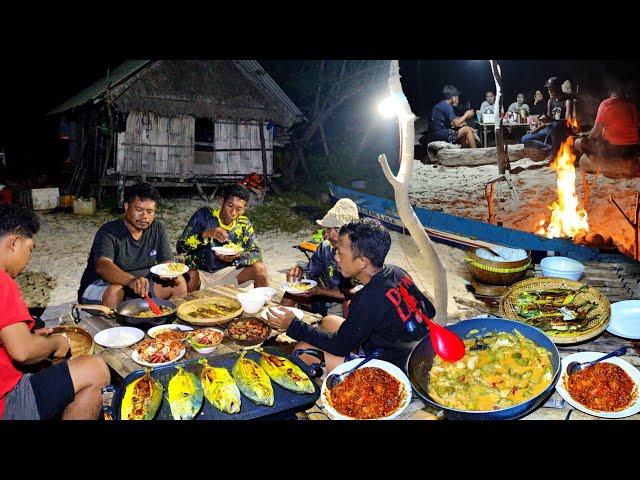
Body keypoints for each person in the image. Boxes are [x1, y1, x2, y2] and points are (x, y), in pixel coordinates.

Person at [264, 218, 435, 373]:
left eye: (340, 253)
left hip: (389, 366)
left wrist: (293, 325)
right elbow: (430, 310)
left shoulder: (367, 300)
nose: (336, 258)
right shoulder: (396, 272)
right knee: (328, 321)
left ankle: (325, 387)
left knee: (302, 350)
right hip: (414, 349)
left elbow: (339, 346)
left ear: (362, 262)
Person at [0, 204, 110, 420]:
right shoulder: (3, 282)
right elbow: (22, 351)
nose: (28, 259)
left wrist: (29, 337)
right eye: (30, 248)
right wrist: (57, 343)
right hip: (7, 402)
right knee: (96, 368)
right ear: (14, 243)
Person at [78, 182, 186, 308]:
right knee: (114, 292)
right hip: (103, 284)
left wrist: (166, 273)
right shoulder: (109, 231)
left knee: (179, 282)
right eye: (139, 210)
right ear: (126, 207)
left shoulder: (158, 228)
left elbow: (166, 260)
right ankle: (113, 326)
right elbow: (103, 266)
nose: (144, 216)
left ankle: (165, 323)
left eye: (150, 212)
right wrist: (130, 281)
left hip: (141, 284)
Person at [177, 184, 268, 292]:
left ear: (244, 210)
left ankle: (259, 305)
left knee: (260, 270)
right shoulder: (204, 215)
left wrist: (237, 257)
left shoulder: (243, 224)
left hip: (229, 274)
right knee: (190, 275)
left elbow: (257, 254)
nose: (233, 213)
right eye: (230, 206)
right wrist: (206, 234)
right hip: (201, 274)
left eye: (239, 209)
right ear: (222, 202)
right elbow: (180, 247)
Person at [282, 198, 359, 318]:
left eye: (337, 229)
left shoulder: (360, 254)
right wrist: (299, 270)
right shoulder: (325, 247)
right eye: (328, 228)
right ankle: (276, 326)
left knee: (350, 304)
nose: (330, 234)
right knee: (290, 293)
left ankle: (346, 335)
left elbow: (355, 292)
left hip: (342, 302)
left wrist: (320, 291)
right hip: (324, 298)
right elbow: (311, 273)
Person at [574, 83, 640, 177]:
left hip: (613, 150)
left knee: (578, 142)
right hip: (632, 150)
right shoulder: (632, 105)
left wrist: (587, 140)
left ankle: (604, 165)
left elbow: (595, 133)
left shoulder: (606, 104)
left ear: (610, 91)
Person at [521, 77, 574, 157]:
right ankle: (548, 148)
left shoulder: (566, 101)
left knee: (555, 125)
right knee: (525, 138)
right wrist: (537, 129)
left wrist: (551, 120)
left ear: (558, 88)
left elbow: (566, 121)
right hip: (549, 128)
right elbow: (548, 119)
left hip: (560, 129)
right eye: (549, 89)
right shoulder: (550, 101)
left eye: (551, 88)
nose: (549, 91)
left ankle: (553, 152)